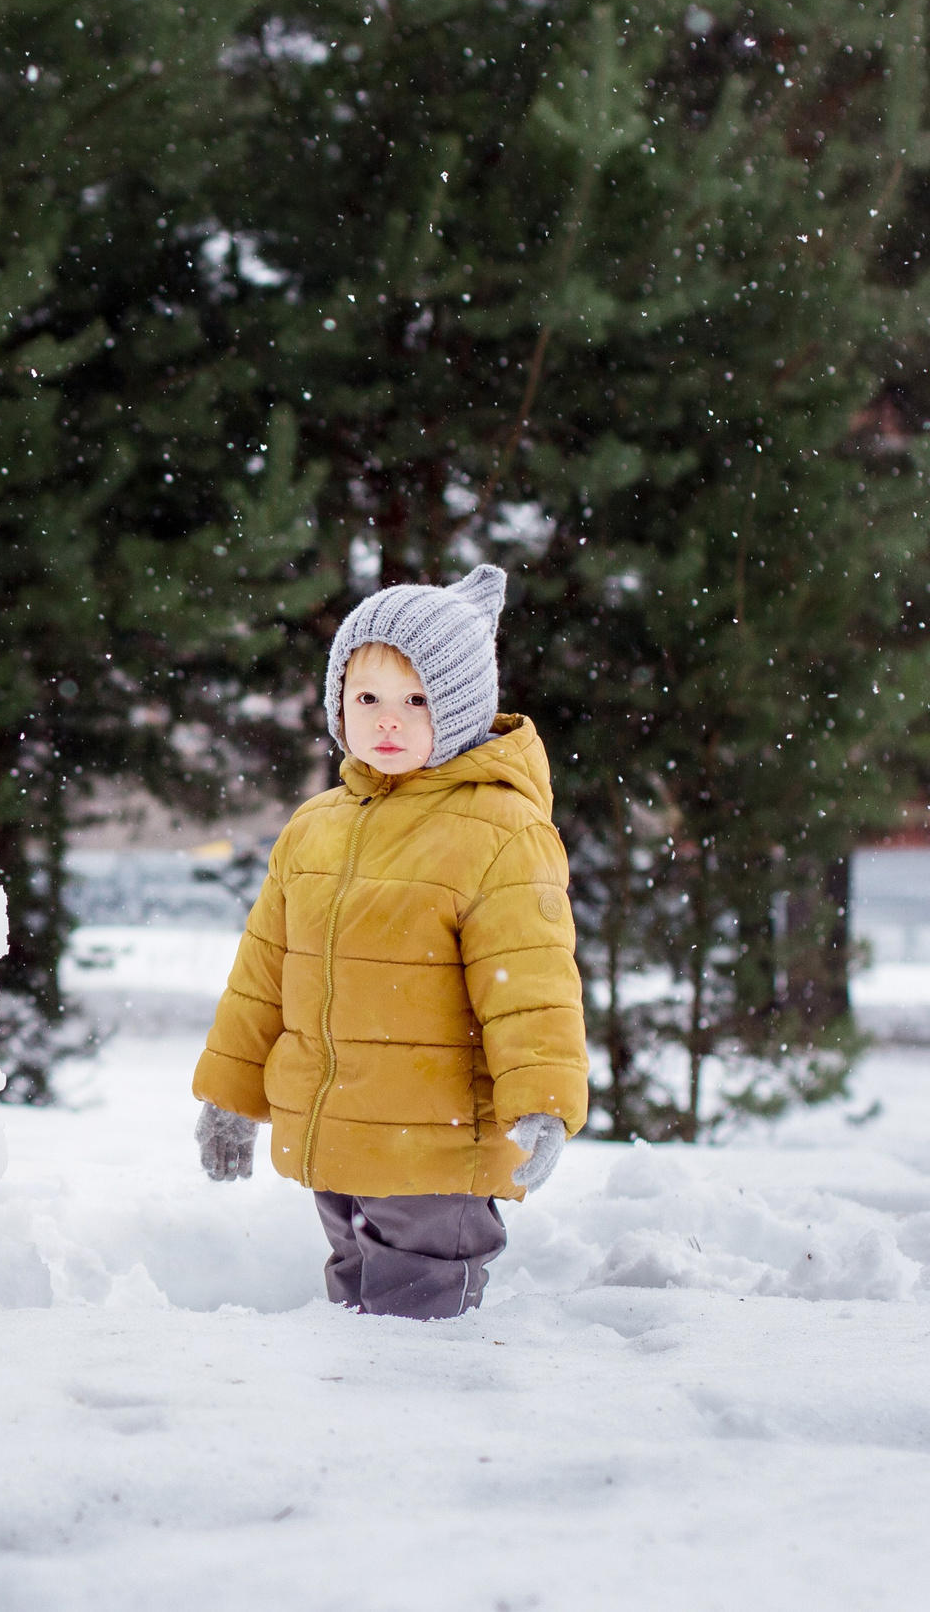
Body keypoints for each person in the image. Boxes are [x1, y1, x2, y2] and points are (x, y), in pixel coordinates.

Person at [190, 565, 588, 1319]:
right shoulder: (315, 827)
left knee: (418, 1321)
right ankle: (358, 1435)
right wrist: (230, 1095)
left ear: (463, 707)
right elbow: (263, 975)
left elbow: (531, 984)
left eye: (417, 699)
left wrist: (542, 1099)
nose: (389, 720)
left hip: (438, 1149)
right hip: (339, 1140)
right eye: (367, 696)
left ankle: (433, 1431)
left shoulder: (501, 832)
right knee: (353, 1301)